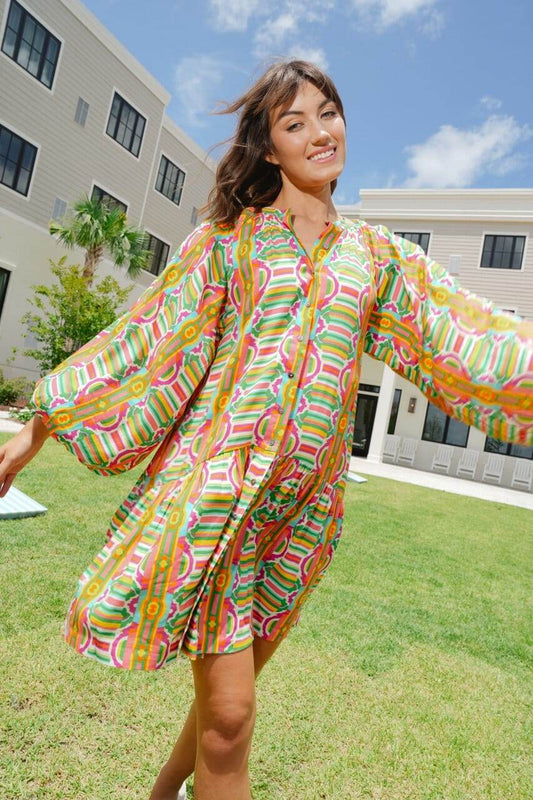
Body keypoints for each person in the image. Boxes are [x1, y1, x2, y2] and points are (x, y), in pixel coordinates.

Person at [1, 60, 532, 800]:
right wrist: (37, 428)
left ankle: (162, 793)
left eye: (328, 113)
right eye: (294, 122)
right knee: (230, 717)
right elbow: (150, 339)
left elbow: (466, 335)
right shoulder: (230, 242)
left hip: (305, 515)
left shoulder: (376, 257)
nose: (319, 132)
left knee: (224, 709)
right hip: (221, 500)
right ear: (270, 148)